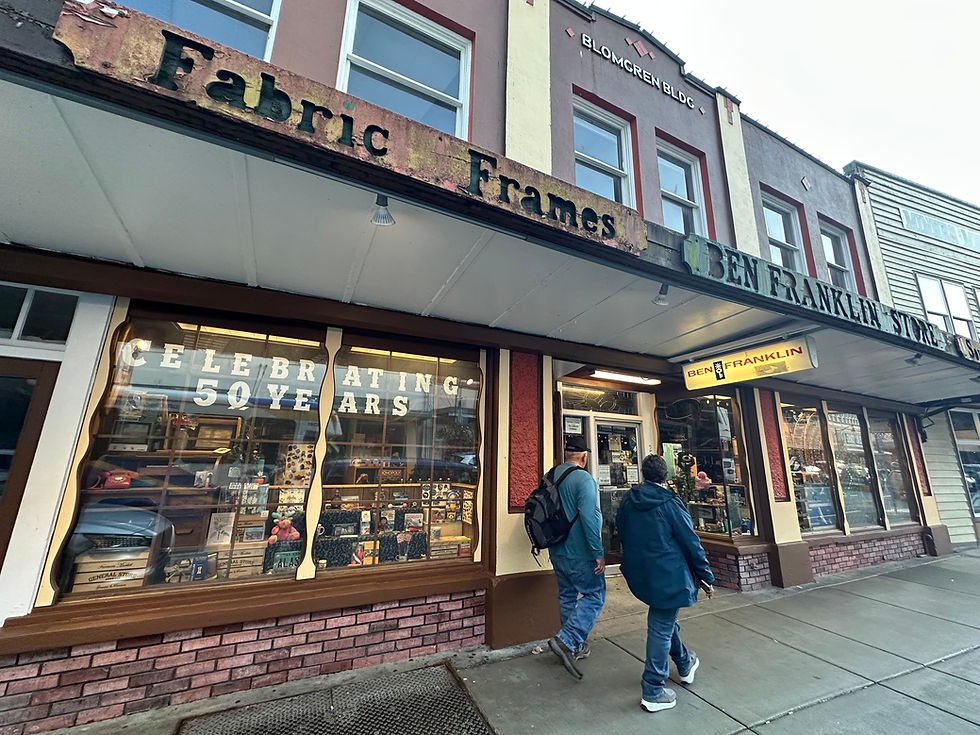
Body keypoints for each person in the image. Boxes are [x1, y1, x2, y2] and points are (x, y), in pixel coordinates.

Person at [616, 454, 715, 713]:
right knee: (660, 626)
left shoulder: (629, 500)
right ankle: (653, 689)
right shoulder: (671, 502)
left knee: (664, 619)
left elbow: (621, 531)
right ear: (665, 476)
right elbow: (690, 541)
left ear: (643, 474)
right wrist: (705, 574)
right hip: (668, 575)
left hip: (643, 573)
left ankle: (684, 662)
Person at [547, 435, 606, 680]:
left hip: (556, 550)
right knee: (594, 595)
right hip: (580, 552)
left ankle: (575, 646)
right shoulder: (584, 479)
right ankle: (567, 640)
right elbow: (590, 519)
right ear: (584, 456)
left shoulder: (551, 475)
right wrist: (598, 553)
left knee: (567, 594)